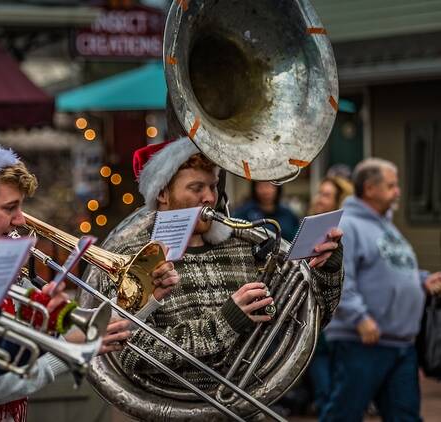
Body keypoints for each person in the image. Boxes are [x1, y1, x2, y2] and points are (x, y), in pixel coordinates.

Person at [0, 146, 179, 421]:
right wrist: (66, 349)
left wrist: (148, 296)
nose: (21, 220)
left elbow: (82, 326)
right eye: (10, 208)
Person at [81, 137, 344, 393]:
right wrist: (224, 323)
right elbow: (131, 353)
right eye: (196, 188)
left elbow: (307, 320)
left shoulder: (242, 244)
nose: (210, 197)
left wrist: (328, 271)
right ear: (162, 192)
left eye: (213, 186)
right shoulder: (131, 257)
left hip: (249, 403)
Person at [322, 158, 441, 421]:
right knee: (344, 414)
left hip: (400, 343)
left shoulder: (387, 226)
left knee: (405, 416)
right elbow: (341, 277)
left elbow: (391, 269)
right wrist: (360, 318)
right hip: (362, 341)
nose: (398, 192)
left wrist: (421, 280)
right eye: (391, 186)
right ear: (369, 188)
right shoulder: (348, 226)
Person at [305, 174, 354, 417]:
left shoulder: (345, 230)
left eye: (326, 195)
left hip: (344, 316)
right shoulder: (310, 223)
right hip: (316, 311)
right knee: (321, 368)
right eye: (319, 193)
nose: (319, 199)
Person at [233, 181, 301, 242]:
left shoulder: (289, 214)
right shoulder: (243, 213)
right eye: (261, 186)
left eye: (270, 185)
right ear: (254, 187)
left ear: (278, 187)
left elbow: (298, 238)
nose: (266, 191)